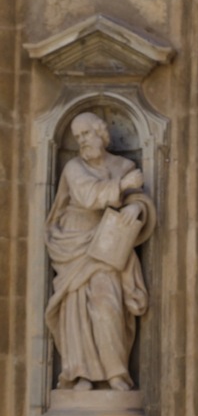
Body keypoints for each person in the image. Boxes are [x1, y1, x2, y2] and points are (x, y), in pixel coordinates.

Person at [45, 112, 155, 391]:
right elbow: (87, 195)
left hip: (108, 242)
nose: (81, 140)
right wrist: (123, 186)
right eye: (78, 136)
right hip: (73, 242)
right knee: (76, 308)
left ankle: (116, 372)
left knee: (108, 305)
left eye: (86, 133)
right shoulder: (73, 167)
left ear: (101, 133)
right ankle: (81, 373)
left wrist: (135, 206)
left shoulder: (123, 165)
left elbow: (138, 198)